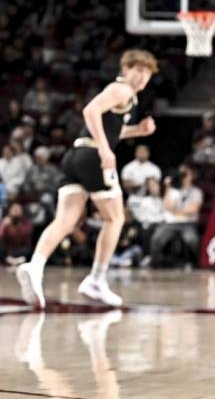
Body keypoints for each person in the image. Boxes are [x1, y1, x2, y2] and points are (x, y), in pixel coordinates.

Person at [15, 49, 159, 308]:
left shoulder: (127, 98)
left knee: (66, 220)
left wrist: (137, 130)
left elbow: (109, 127)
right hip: (93, 155)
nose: (142, 76)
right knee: (115, 217)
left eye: (147, 72)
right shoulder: (122, 89)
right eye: (138, 70)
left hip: (76, 155)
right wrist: (105, 150)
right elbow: (90, 111)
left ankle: (35, 266)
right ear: (125, 70)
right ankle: (96, 279)